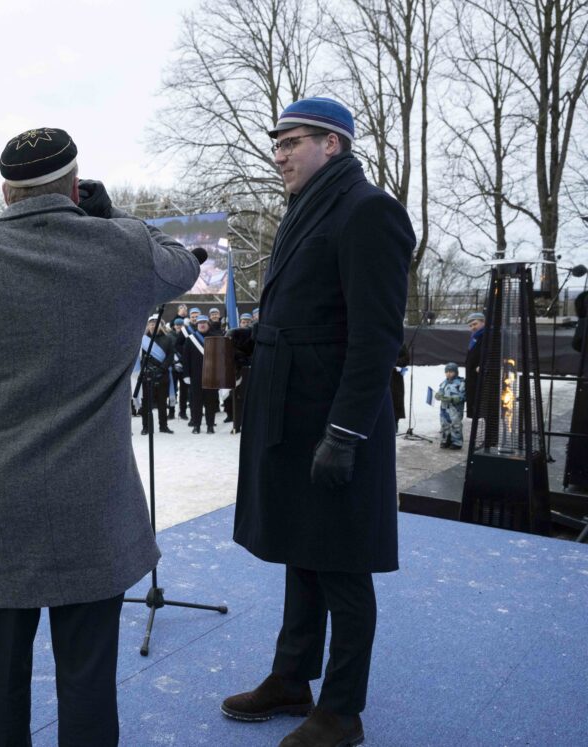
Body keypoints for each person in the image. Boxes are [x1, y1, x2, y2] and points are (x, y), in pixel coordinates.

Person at [0, 126, 201, 746]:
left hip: (2, 504)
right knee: (89, 683)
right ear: (74, 183)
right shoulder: (122, 247)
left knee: (1, 677)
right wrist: (113, 213)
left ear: (6, 191)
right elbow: (185, 264)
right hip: (97, 503)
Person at [224, 98, 414, 747]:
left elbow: (375, 337)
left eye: (291, 141)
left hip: (334, 419)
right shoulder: (308, 208)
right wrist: (262, 337)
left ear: (332, 144)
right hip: (294, 411)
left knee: (342, 564)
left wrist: (347, 433)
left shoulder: (369, 212)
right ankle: (292, 677)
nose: (278, 153)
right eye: (276, 141)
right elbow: (315, 310)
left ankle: (341, 709)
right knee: (301, 551)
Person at [181, 315, 219, 434]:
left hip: (211, 375)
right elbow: (185, 358)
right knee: (196, 402)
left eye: (204, 322)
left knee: (210, 402)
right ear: (196, 325)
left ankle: (210, 425)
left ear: (208, 324)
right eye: (199, 323)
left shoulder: (215, 338)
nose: (202, 324)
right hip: (195, 376)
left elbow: (220, 358)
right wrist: (186, 375)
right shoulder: (190, 339)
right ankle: (196, 425)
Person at [139, 317, 175, 436]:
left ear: (160, 325)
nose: (153, 326)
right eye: (151, 324)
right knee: (146, 404)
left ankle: (163, 426)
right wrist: (147, 369)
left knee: (162, 403)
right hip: (147, 375)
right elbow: (140, 358)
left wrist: (161, 369)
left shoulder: (167, 339)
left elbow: (170, 356)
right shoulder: (142, 340)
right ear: (147, 326)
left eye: (156, 323)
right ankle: (146, 427)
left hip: (162, 374)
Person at [435, 362, 466, 449]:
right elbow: (440, 391)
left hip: (455, 409)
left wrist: (452, 399)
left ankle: (457, 442)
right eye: (447, 372)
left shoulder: (461, 383)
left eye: (451, 372)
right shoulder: (444, 383)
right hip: (444, 408)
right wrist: (437, 395)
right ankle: (445, 440)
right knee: (444, 424)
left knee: (455, 424)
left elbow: (463, 396)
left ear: (456, 372)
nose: (448, 374)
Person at [464, 311, 486, 419]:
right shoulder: (475, 337)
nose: (472, 327)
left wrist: (482, 365)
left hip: (482, 377)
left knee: (483, 406)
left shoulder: (487, 336)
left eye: (475, 324)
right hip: (472, 376)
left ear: (483, 322)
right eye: (470, 325)